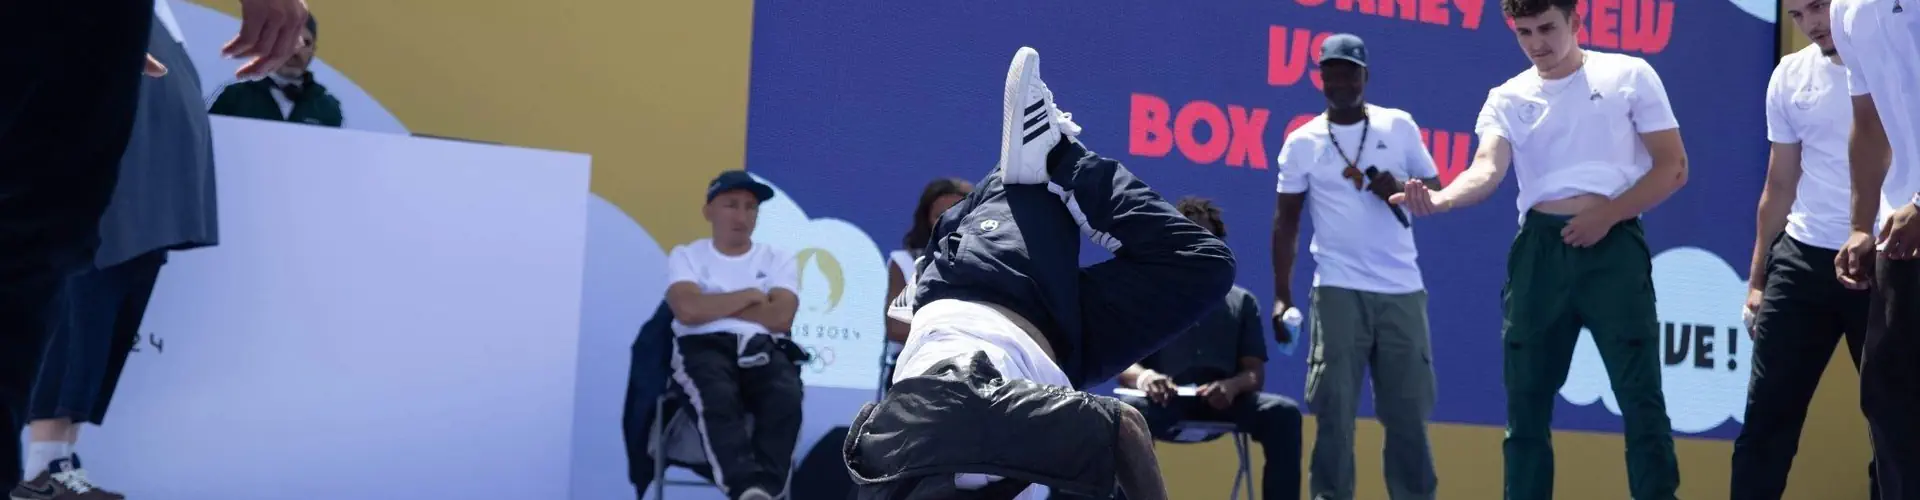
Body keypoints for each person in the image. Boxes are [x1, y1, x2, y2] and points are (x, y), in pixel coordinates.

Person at [844, 46, 1237, 500]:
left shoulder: (971, 422)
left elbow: (1123, 428)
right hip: (1059, 349)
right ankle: (1031, 168)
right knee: (1205, 267)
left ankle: (1057, 153)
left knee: (1032, 181)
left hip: (992, 293)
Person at [1389, 0, 1690, 495]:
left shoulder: (1629, 74)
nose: (1537, 44)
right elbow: (1486, 169)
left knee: (1641, 399)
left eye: (1547, 28)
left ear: (1576, 21)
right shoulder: (1507, 96)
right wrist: (1441, 200)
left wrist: (1607, 214)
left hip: (1613, 247)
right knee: (1525, 403)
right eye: (1524, 32)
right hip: (1540, 254)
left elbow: (1673, 167)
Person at [0, 0, 305, 485]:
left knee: (51, 274)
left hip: (108, 96)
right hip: (79, 80)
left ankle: (54, 460)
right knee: (46, 274)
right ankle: (46, 462)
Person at [12, 5, 222, 499]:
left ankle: (58, 461)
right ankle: (41, 467)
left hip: (151, 198)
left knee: (103, 329)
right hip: (106, 193)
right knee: (75, 318)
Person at [1268, 33, 1440, 500]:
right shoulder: (1302, 142)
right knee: (1334, 412)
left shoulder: (1398, 126)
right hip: (1337, 289)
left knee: (1407, 414)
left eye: (1349, 71)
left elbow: (1435, 187)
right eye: (1332, 71)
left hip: (1402, 289)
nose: (1340, 80)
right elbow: (1286, 223)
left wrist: (1402, 186)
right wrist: (1282, 295)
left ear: (1366, 76)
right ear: (1321, 77)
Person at [1730, 0, 1880, 496]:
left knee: (1896, 424)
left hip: (1886, 259)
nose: (1813, 23)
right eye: (1797, 15)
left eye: (1818, 6)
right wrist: (1757, 281)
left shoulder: (1899, 58)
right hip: (1801, 259)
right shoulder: (1789, 76)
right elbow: (1779, 185)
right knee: (1766, 418)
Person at [1119, 196, 1303, 500]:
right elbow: (1124, 363)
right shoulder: (1151, 297)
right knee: (1126, 416)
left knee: (1283, 414)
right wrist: (1146, 379)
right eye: (1186, 235)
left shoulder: (1242, 301)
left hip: (1225, 404)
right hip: (1165, 403)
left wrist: (1231, 386)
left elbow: (1254, 374)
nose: (1196, 244)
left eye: (1205, 237)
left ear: (1219, 245)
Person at [662, 169, 805, 500]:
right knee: (717, 395)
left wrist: (712, 302)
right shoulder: (687, 254)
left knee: (786, 396)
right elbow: (687, 310)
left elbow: (781, 317)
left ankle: (766, 491)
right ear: (709, 211)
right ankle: (744, 490)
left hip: (761, 345)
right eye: (731, 205)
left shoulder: (778, 258)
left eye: (750, 207)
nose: (742, 215)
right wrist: (750, 295)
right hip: (701, 345)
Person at [1830, 0, 1920, 495]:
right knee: (1887, 395)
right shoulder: (1847, 8)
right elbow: (1867, 122)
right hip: (1899, 231)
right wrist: (1860, 225)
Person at [881, 177, 973, 396]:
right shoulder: (906, 262)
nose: (950, 220)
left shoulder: (990, 262)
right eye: (940, 216)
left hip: (973, 370)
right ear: (927, 220)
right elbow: (896, 328)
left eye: (959, 213)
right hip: (915, 369)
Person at [209, 15, 345, 127]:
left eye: (306, 43)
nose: (296, 50)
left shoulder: (328, 108)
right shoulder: (234, 97)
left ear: (313, 51)